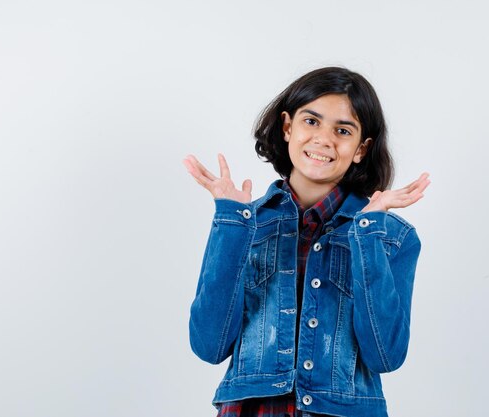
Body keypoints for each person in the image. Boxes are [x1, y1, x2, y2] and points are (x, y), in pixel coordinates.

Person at [183, 67, 431, 417]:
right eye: (311, 122)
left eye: (342, 130)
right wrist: (231, 222)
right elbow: (209, 345)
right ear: (287, 127)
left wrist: (369, 231)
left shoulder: (393, 237)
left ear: (362, 149)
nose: (324, 139)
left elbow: (385, 355)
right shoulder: (243, 224)